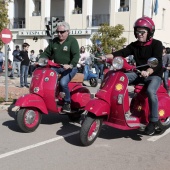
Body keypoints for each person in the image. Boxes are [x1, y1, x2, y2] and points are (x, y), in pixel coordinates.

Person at [100, 17, 163, 136]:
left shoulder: (157, 44)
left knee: (150, 91)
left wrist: (148, 71)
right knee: (120, 78)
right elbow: (121, 52)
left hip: (154, 75)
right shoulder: (134, 45)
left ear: (149, 32)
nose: (139, 35)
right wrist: (105, 57)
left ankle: (154, 121)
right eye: (137, 32)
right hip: (139, 73)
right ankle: (119, 108)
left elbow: (157, 61)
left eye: (142, 32)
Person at [40, 21, 80, 113]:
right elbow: (46, 53)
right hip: (57, 66)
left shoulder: (72, 41)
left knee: (62, 82)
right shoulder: (54, 41)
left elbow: (76, 56)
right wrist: (40, 60)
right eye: (57, 32)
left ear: (67, 31)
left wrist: (70, 65)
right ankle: (48, 97)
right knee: (46, 77)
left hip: (70, 68)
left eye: (62, 32)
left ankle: (67, 103)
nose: (59, 34)